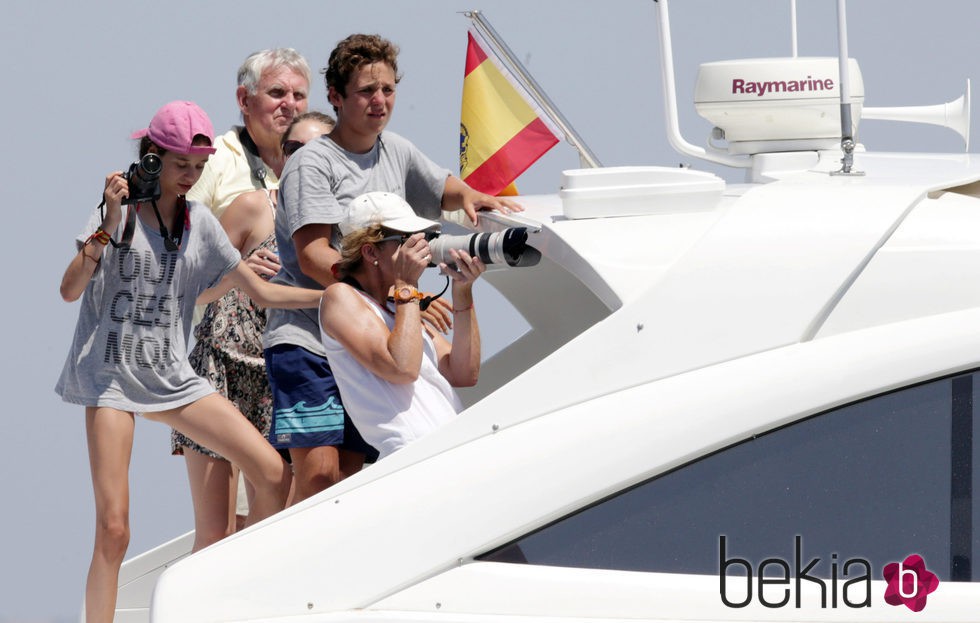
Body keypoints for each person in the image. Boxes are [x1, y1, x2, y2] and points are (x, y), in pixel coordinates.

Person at [55, 101, 323, 623]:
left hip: (173, 377)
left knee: (271, 473)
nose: (191, 177)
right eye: (183, 166)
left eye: (200, 168)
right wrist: (107, 223)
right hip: (110, 379)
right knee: (114, 529)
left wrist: (334, 299)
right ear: (153, 157)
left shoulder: (200, 222)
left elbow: (261, 293)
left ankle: (244, 603)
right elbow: (68, 292)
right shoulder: (119, 213)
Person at [263, 33, 520, 504]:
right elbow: (313, 256)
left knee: (351, 474)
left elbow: (445, 187)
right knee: (320, 476)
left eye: (388, 89)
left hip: (377, 321)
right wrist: (404, 296)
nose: (380, 101)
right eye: (366, 91)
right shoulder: (314, 163)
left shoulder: (395, 149)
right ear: (337, 98)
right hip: (307, 337)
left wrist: (470, 199)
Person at [171, 111, 335, 551]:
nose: (306, 160)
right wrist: (239, 271)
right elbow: (194, 290)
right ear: (280, 158)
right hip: (220, 367)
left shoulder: (340, 227)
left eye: (319, 150)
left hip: (282, 374)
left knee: (274, 517)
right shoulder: (250, 206)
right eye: (295, 150)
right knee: (215, 529)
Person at [320, 192, 484, 458]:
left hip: (451, 445)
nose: (420, 248)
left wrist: (463, 292)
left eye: (422, 238)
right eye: (406, 240)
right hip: (413, 457)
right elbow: (402, 368)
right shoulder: (339, 298)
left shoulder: (401, 307)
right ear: (370, 250)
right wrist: (406, 286)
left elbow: (464, 373)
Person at [188, 48, 311, 221]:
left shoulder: (318, 162)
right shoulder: (213, 160)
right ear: (244, 100)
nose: (290, 103)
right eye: (277, 93)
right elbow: (182, 235)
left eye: (298, 95)